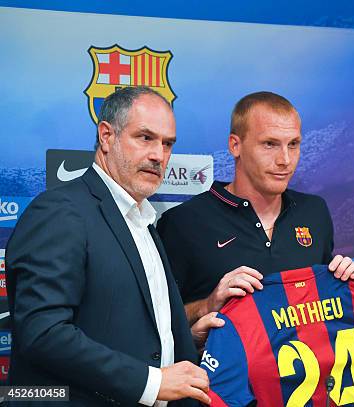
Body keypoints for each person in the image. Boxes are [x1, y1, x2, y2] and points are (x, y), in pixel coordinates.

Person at [6, 86, 212, 406]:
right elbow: (43, 332)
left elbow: (124, 322)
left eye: (167, 143)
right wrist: (151, 381)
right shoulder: (62, 211)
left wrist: (182, 337)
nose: (159, 154)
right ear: (106, 136)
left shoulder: (142, 221)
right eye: (145, 137)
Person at [157, 91, 354, 326]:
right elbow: (158, 325)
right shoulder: (184, 222)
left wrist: (350, 287)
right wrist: (207, 305)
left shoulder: (315, 212)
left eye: (293, 144)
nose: (285, 159)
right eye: (270, 144)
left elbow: (326, 307)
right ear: (235, 145)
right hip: (223, 362)